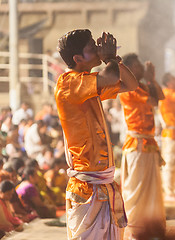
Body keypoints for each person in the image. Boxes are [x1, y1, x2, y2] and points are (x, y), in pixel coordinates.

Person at [55, 29, 138, 239]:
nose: (99, 50)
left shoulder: (88, 82)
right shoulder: (68, 83)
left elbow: (131, 84)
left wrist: (114, 60)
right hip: (87, 186)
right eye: (93, 47)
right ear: (77, 58)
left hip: (102, 181)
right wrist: (108, 58)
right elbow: (110, 76)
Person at [120, 53, 166, 239]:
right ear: (130, 68)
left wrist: (152, 80)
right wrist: (149, 80)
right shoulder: (130, 88)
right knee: (137, 191)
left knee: (151, 191)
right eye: (138, 65)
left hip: (148, 144)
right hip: (137, 145)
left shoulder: (143, 86)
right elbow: (154, 101)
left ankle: (149, 226)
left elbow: (160, 97)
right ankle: (136, 229)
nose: (142, 68)